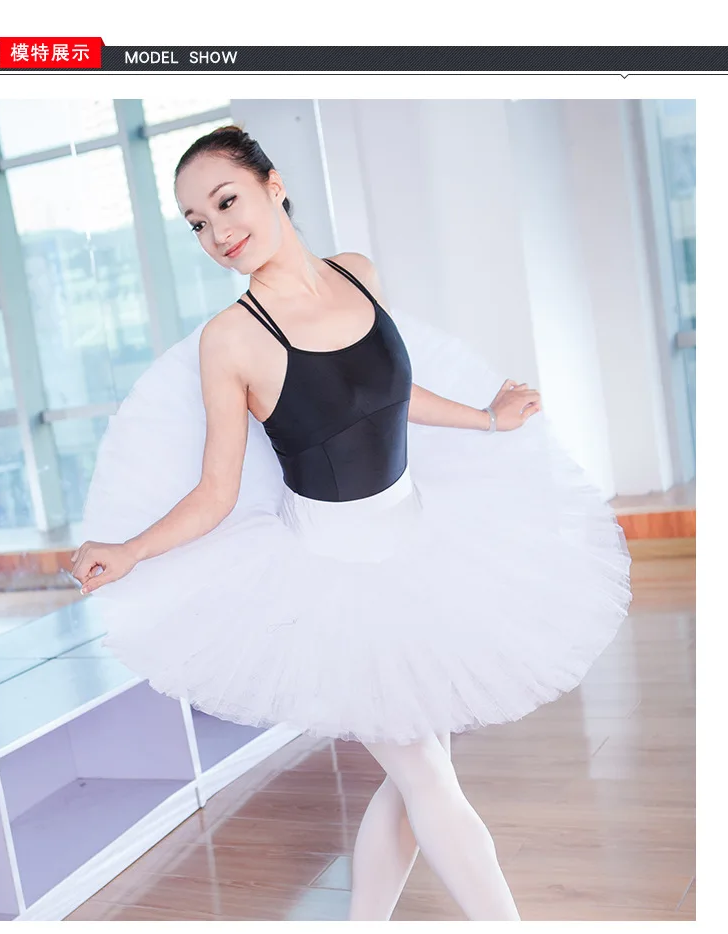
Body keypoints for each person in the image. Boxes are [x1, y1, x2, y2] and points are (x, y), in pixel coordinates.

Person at [71, 125, 632, 921]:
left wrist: (487, 417)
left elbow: (390, 394)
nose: (217, 232)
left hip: (419, 548)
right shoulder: (232, 340)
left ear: (273, 184)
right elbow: (216, 490)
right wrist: (129, 550)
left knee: (418, 779)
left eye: (226, 202)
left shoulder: (356, 273)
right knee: (428, 779)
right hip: (335, 579)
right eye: (196, 223)